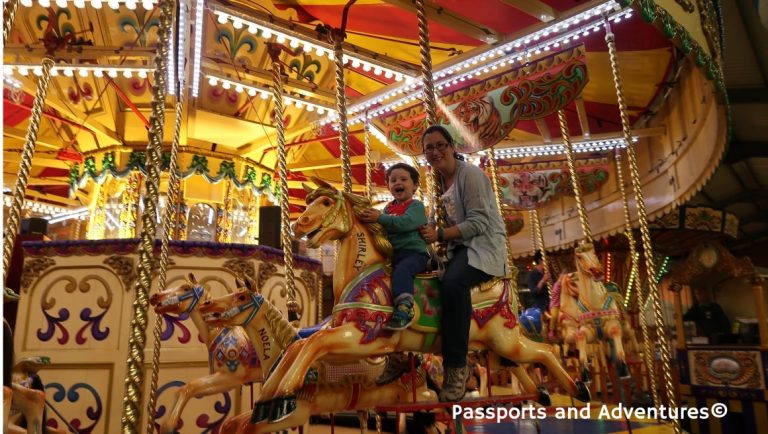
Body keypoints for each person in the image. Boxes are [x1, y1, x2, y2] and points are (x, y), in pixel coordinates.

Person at [374, 125, 508, 402]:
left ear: (451, 146)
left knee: (452, 283)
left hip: (481, 248)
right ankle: (401, 354)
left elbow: (480, 222)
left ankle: (457, 367)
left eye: (440, 145)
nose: (435, 152)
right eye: (429, 148)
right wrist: (428, 227)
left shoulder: (469, 175)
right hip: (454, 250)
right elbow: (436, 217)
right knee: (408, 281)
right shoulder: (437, 182)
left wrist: (440, 234)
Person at [360, 162, 428, 330]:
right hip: (392, 254)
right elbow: (380, 230)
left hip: (414, 254)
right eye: (393, 180)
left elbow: (405, 223)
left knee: (403, 270)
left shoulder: (416, 206)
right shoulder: (387, 209)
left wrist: (380, 219)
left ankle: (405, 308)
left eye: (404, 179)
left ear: (415, 185)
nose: (398, 183)